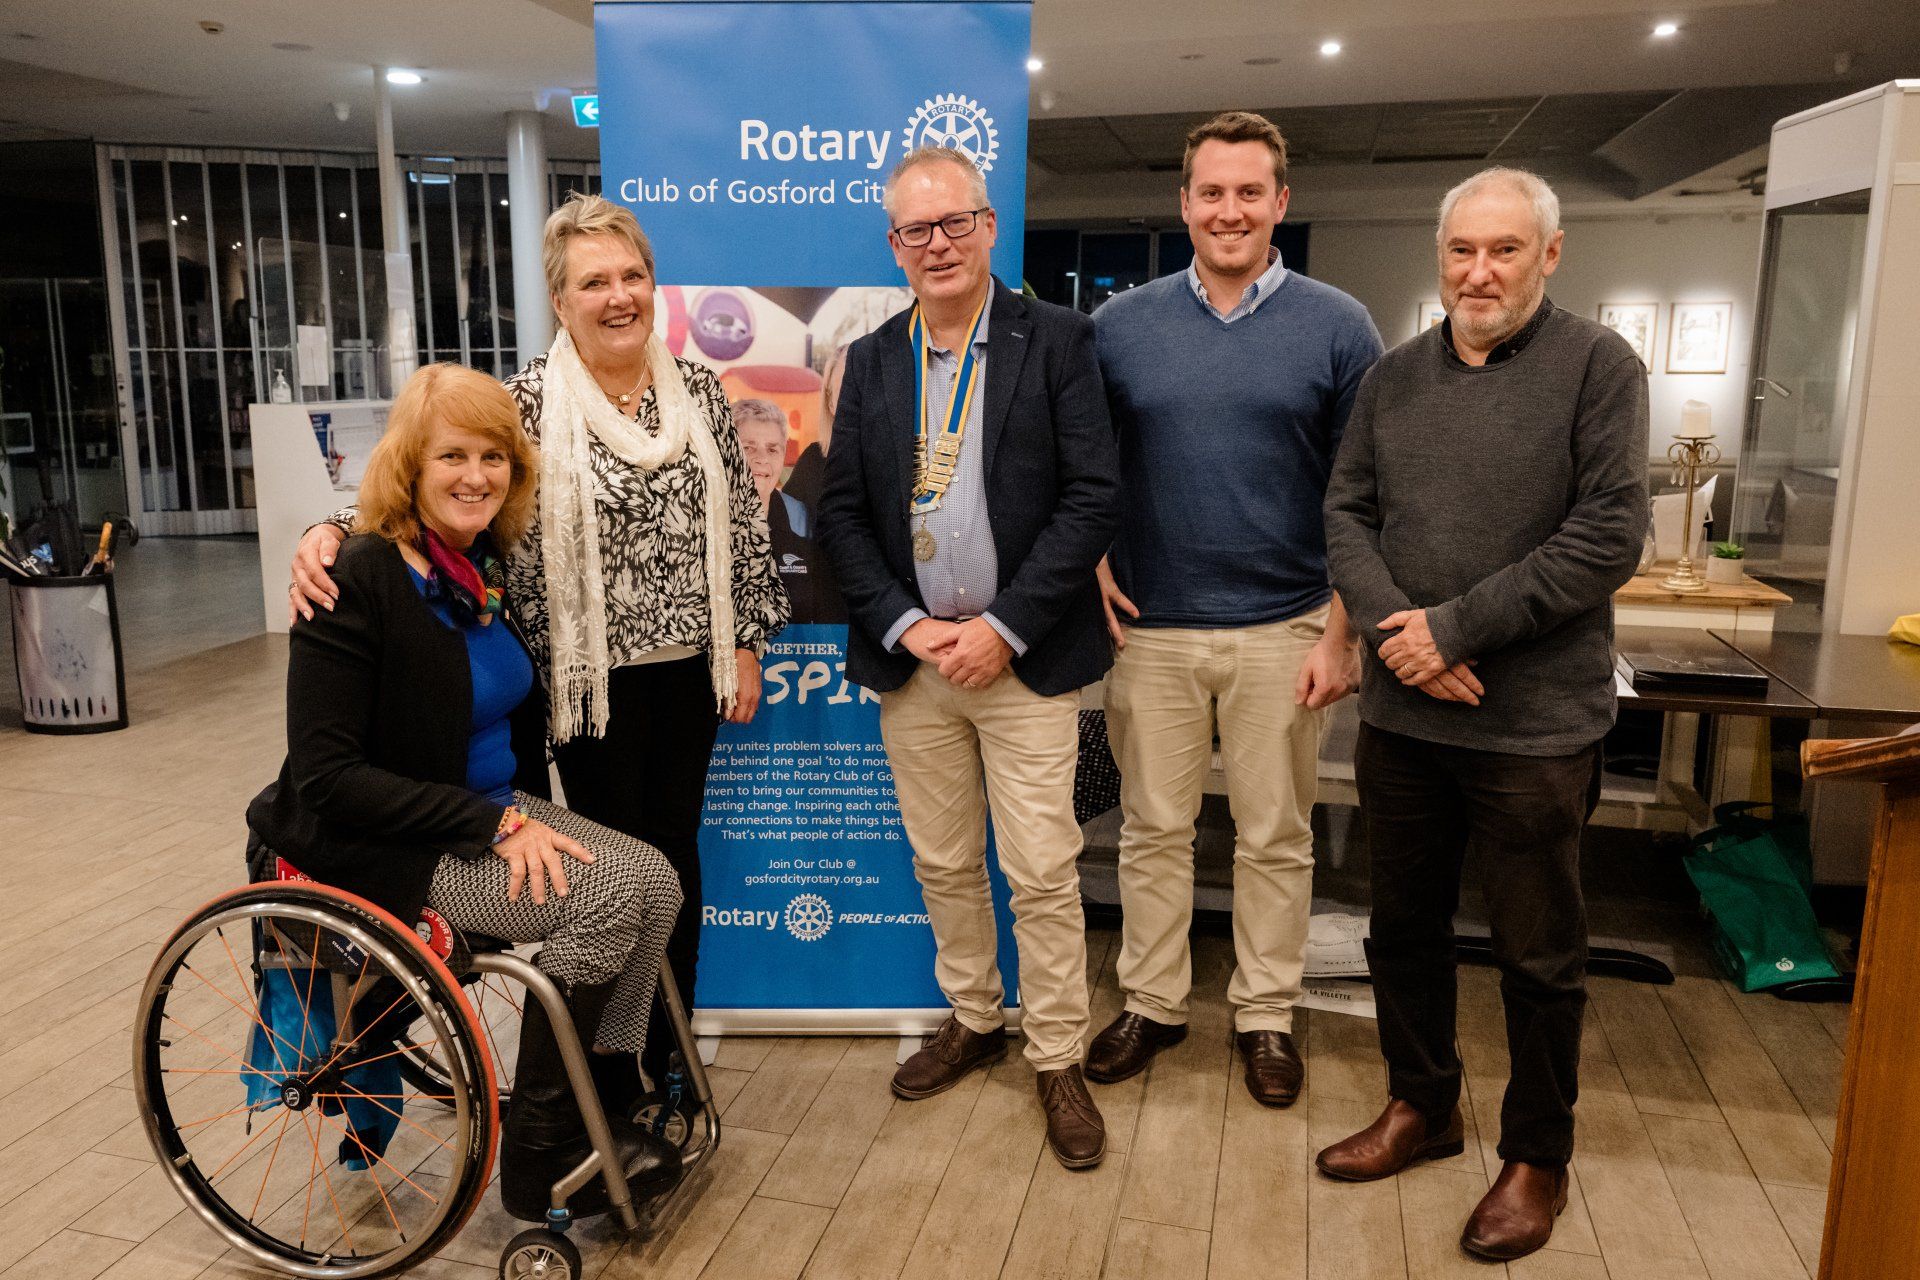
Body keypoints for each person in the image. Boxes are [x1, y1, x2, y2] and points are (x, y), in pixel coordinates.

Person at [289, 193, 789, 1106]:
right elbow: (439, 481)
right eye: (594, 282)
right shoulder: (526, 401)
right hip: (583, 686)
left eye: (632, 276)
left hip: (691, 670)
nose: (618, 296)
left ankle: (665, 1056)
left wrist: (746, 641)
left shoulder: (700, 391)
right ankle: (594, 1081)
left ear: (653, 285)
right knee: (614, 871)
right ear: (561, 301)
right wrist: (328, 531)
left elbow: (743, 526)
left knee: (675, 860)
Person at [248, 363, 685, 1222]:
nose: (476, 475)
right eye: (452, 456)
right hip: (386, 840)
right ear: (409, 465)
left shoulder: (473, 565)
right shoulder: (353, 582)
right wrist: (493, 824)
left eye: (494, 457)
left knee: (657, 879)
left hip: (482, 809)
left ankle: (604, 1087)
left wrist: (503, 815)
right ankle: (543, 1149)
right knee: (603, 901)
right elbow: (329, 778)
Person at [1318, 167, 1648, 1261]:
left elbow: (1607, 535)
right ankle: (1422, 1104)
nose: (1479, 271)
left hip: (1533, 728)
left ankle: (1538, 1155)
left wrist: (1452, 631)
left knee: (1539, 953)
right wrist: (1396, 636)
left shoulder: (1598, 366)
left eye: (1504, 249)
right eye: (1462, 249)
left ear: (1549, 255)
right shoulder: (1394, 377)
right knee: (1401, 929)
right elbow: (1347, 512)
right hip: (1404, 721)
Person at [817, 146, 1120, 1168]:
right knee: (945, 862)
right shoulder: (871, 360)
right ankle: (976, 1016)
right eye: (917, 229)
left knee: (1041, 869)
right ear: (894, 245)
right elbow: (842, 515)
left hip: (1023, 660)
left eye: (956, 223)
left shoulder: (1061, 340)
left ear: (989, 227)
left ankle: (1058, 1054)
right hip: (918, 665)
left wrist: (1005, 626)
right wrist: (908, 626)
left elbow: (1094, 497)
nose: (938, 244)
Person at [1085, 111, 1382, 1105]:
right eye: (1211, 192)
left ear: (1280, 202)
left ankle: (1266, 1014)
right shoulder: (1120, 327)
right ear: (1184, 204)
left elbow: (1364, 491)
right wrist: (1089, 560)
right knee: (1152, 830)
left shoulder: (1339, 325)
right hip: (1153, 625)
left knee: (1276, 837)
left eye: (1249, 192)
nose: (1229, 210)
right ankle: (1152, 1001)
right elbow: (1081, 466)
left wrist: (1342, 629)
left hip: (1286, 624)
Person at [733, 396, 843, 624]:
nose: (761, 459)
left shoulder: (804, 520)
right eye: (748, 447)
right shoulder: (702, 520)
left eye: (772, 449)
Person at [781, 341, 847, 511]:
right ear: (830, 403)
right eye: (845, 389)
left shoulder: (904, 465)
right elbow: (782, 519)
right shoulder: (813, 461)